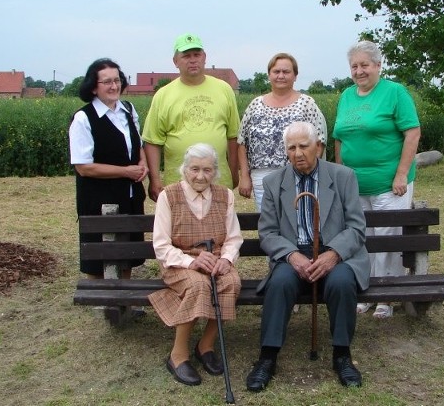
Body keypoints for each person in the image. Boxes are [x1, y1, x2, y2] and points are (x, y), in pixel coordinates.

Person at [245, 121, 370, 392]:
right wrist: (291, 256)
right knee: (279, 283)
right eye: (291, 148)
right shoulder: (273, 182)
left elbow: (356, 228)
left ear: (319, 147)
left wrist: (333, 254)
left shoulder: (343, 176)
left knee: (340, 282)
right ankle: (267, 357)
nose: (298, 153)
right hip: (294, 256)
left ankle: (342, 355)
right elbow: (267, 233)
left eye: (304, 146)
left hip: (335, 254)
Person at [333, 40, 421, 319]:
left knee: (387, 239)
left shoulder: (394, 93)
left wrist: (401, 174)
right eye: (354, 66)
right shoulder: (347, 96)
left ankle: (387, 296)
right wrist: (340, 173)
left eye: (365, 65)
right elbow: (339, 137)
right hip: (355, 185)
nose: (359, 71)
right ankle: (366, 291)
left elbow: (412, 133)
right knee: (363, 238)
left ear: (378, 66)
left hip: (389, 184)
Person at [148, 143, 243, 387]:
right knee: (199, 285)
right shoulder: (169, 196)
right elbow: (161, 245)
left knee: (231, 282)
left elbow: (233, 238)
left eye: (207, 170)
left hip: (215, 259)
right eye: (195, 169)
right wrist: (191, 261)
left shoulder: (226, 196)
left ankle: (206, 346)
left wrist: (226, 259)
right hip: (178, 263)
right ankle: (178, 355)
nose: (201, 176)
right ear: (184, 170)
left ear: (215, 172)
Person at [69, 58, 148, 279]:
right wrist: (126, 171)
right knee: (98, 256)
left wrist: (142, 163)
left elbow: (137, 144)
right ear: (94, 87)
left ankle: (125, 300)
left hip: (130, 195)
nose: (114, 86)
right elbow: (84, 167)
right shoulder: (83, 119)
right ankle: (101, 301)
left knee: (128, 252)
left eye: (117, 80)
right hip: (98, 197)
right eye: (106, 82)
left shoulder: (128, 111)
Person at [143, 33, 240, 202]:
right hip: (178, 184)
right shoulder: (163, 95)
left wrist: (233, 172)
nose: (193, 60)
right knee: (181, 228)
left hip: (217, 182)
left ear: (204, 57)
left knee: (219, 228)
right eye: (186, 56)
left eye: (197, 55)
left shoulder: (224, 90)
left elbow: (233, 137)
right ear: (175, 61)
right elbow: (152, 142)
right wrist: (155, 180)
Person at [238, 52, 327, 211]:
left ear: (295, 76)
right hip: (261, 178)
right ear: (269, 75)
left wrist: (308, 172)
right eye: (276, 71)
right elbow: (242, 142)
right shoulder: (255, 105)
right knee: (268, 223)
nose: (281, 76)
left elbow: (319, 141)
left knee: (296, 220)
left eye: (286, 72)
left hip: (298, 175)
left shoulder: (306, 103)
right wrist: (244, 176)